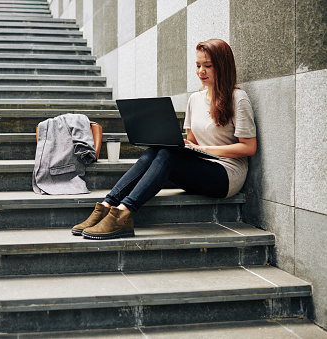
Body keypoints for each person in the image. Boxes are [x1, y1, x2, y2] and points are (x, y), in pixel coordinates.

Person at [72, 38, 257, 240]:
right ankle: (107, 206)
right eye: (197, 65)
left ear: (222, 66)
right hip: (202, 167)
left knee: (168, 155)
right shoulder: (195, 99)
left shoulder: (238, 98)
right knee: (155, 151)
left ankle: (124, 214)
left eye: (208, 66)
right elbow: (192, 142)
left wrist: (207, 150)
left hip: (227, 175)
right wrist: (186, 146)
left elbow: (249, 147)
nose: (200, 71)